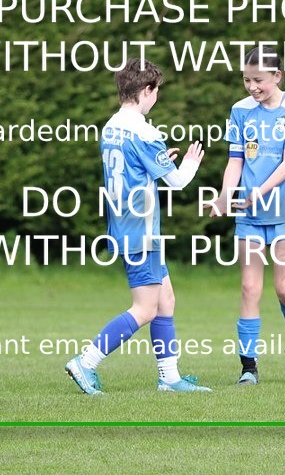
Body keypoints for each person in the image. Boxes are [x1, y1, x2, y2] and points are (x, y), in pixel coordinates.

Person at [64, 58, 211, 395]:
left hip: (126, 224)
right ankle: (85, 362)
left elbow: (133, 168)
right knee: (145, 308)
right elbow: (176, 182)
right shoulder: (145, 131)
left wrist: (156, 162)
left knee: (166, 300)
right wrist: (189, 164)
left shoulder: (112, 126)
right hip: (140, 230)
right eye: (156, 90)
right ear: (147, 90)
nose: (156, 97)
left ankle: (169, 378)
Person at [207, 47, 285, 385]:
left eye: (259, 80)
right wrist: (225, 196)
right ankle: (248, 368)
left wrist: (260, 192)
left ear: (277, 76)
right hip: (249, 214)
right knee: (249, 287)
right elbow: (235, 159)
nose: (251, 86)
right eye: (246, 79)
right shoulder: (240, 111)